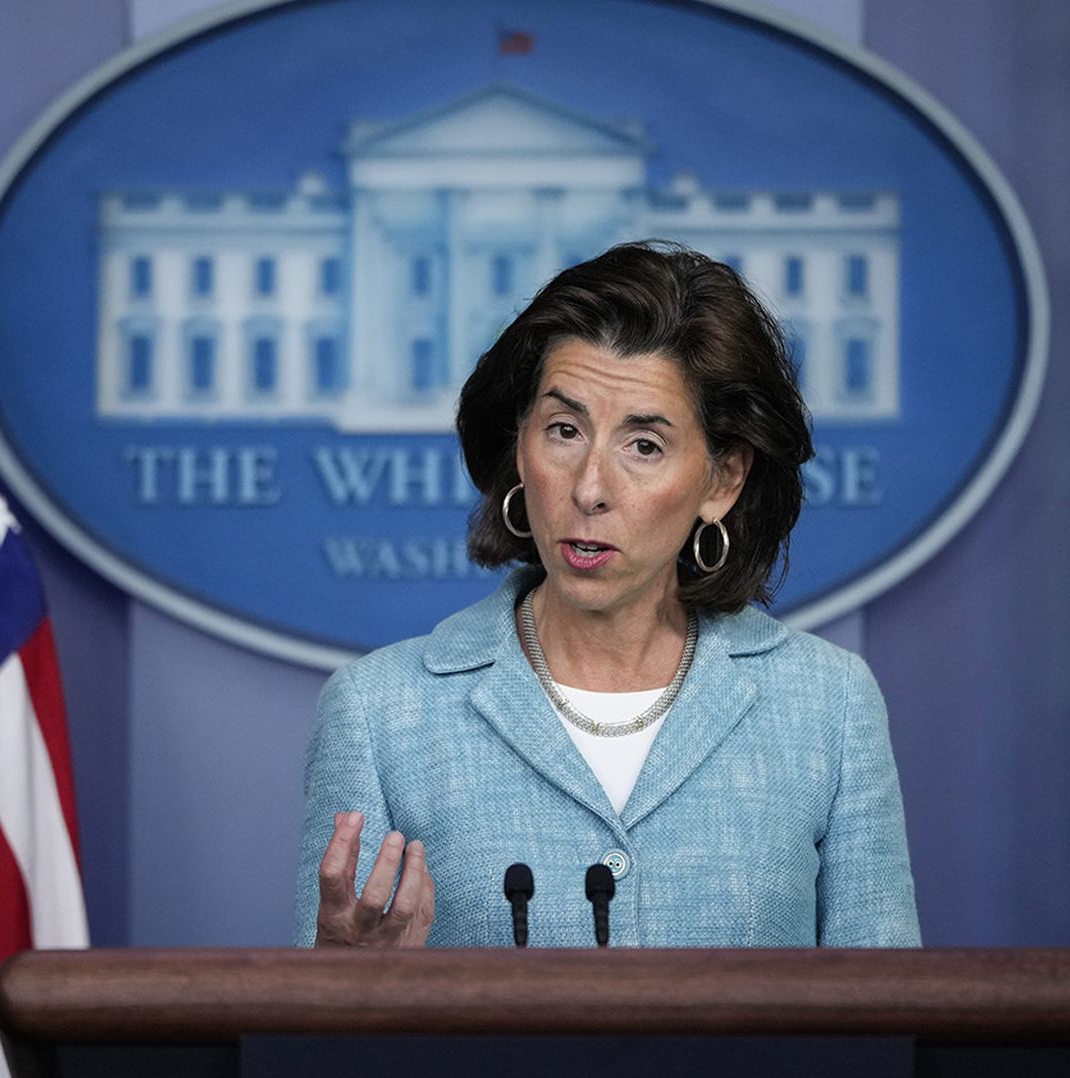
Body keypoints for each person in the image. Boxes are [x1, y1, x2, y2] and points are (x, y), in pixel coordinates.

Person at [294, 241, 918, 949]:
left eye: (644, 445)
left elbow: (883, 1026)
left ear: (723, 479)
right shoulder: (379, 714)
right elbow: (316, 1034)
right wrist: (345, 989)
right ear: (519, 448)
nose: (589, 488)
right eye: (564, 431)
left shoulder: (828, 706)